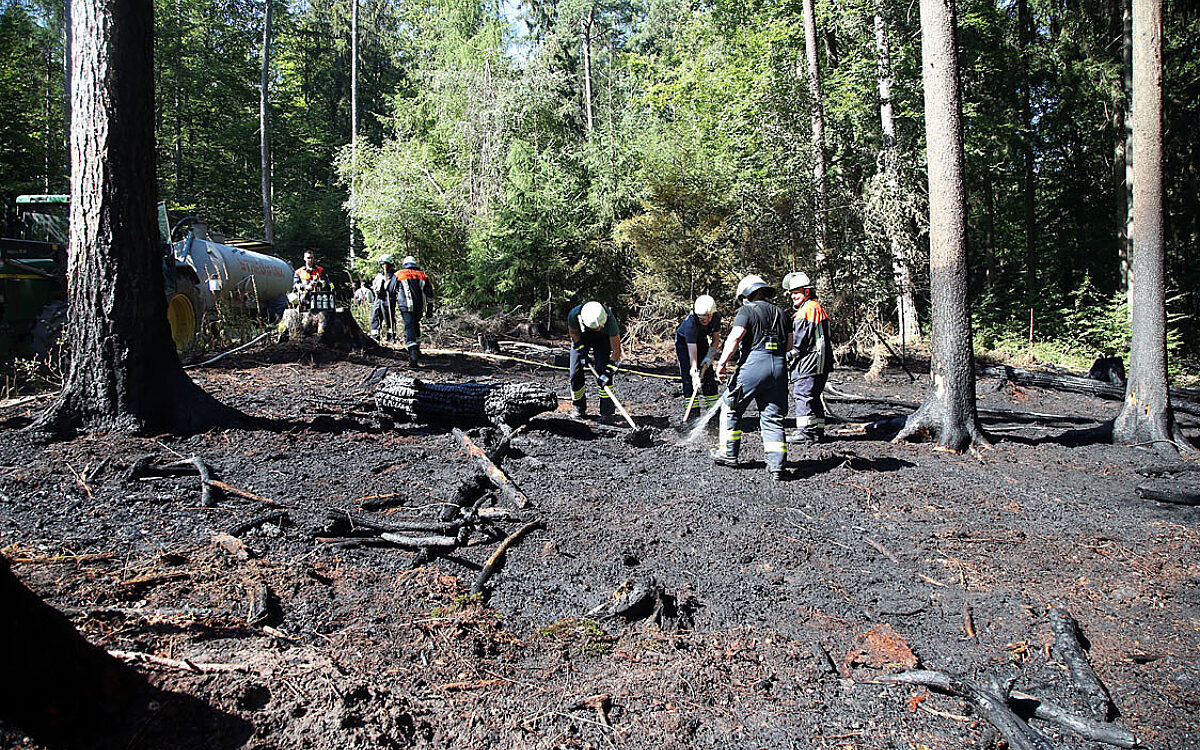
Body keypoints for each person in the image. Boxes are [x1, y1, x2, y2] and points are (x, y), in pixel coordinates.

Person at [710, 275, 791, 481]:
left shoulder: (747, 310)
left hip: (754, 365)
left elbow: (735, 338)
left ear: (747, 294)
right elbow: (789, 345)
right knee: (772, 417)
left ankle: (728, 454)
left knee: (730, 407)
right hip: (780, 367)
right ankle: (777, 466)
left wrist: (721, 364)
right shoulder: (782, 314)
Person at [784, 271, 833, 443]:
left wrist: (787, 356)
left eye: (796, 293)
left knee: (803, 393)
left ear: (806, 292)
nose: (793, 297)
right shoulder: (815, 307)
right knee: (813, 395)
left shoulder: (807, 310)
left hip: (811, 362)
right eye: (792, 294)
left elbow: (799, 343)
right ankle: (817, 431)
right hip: (820, 361)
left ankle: (805, 432)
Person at [566, 301, 622, 420]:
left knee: (602, 369)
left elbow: (616, 351)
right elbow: (573, 333)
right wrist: (581, 352)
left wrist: (607, 372)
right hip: (581, 337)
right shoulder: (574, 314)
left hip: (602, 340)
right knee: (575, 373)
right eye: (595, 328)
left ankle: (607, 412)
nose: (597, 329)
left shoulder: (610, 321)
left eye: (599, 327)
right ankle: (579, 409)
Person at [676, 294, 723, 417]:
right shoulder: (690, 324)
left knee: (708, 375)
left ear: (712, 313)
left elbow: (716, 339)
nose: (704, 321)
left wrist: (710, 356)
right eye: (701, 318)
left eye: (706, 317)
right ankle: (693, 415)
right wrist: (694, 371)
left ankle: (713, 415)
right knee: (688, 379)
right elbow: (692, 351)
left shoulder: (716, 317)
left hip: (701, 340)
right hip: (684, 344)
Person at [393, 254, 435, 365]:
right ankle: (416, 349)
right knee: (415, 324)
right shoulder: (423, 275)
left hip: (405, 305)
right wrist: (429, 311)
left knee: (409, 326)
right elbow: (430, 294)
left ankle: (412, 354)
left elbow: (391, 289)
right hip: (419, 306)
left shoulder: (399, 274)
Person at [370, 255, 398, 341]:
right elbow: (374, 285)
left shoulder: (395, 276)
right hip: (378, 299)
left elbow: (395, 288)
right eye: (382, 264)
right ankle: (375, 336)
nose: (384, 266)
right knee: (375, 316)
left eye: (385, 264)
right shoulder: (379, 275)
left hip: (388, 299)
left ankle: (391, 336)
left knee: (389, 318)